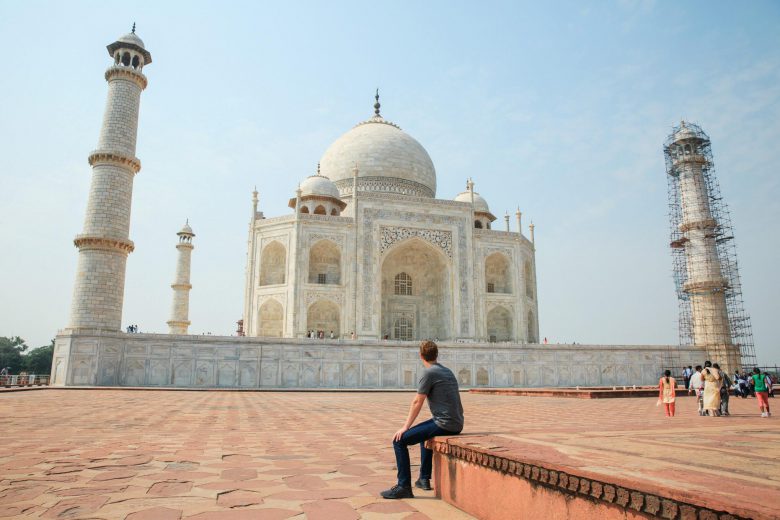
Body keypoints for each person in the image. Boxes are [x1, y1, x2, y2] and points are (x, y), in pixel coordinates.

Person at [381, 340, 464, 499]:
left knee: (399, 441)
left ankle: (403, 486)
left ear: (421, 356)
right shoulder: (446, 371)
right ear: (437, 355)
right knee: (424, 434)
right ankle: (423, 478)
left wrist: (405, 427)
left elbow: (417, 401)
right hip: (457, 422)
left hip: (445, 423)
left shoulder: (429, 373)